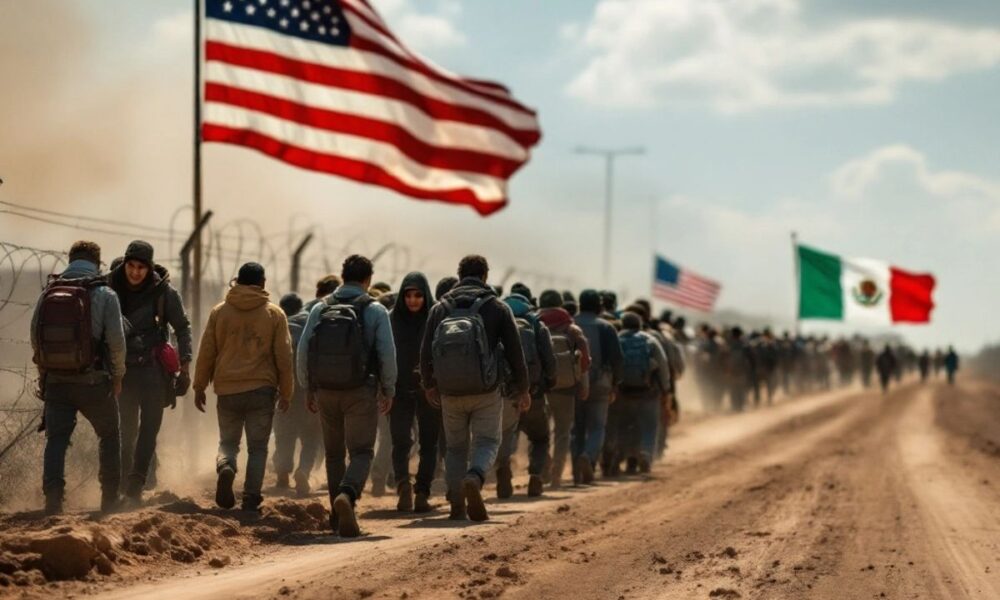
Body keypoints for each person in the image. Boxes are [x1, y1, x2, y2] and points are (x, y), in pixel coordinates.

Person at [420, 255, 528, 522]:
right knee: (488, 441)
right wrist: (523, 388)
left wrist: (429, 384)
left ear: (459, 275)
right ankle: (475, 476)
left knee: (455, 448)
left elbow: (425, 352)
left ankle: (457, 501)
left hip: (450, 392)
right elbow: (516, 352)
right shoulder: (497, 307)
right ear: (485, 276)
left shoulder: (440, 307)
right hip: (486, 390)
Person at [297, 255, 396, 537]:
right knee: (362, 451)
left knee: (333, 454)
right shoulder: (375, 310)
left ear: (343, 277)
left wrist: (308, 387)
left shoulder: (320, 307)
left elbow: (303, 350)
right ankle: (348, 495)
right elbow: (388, 354)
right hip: (360, 390)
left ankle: (336, 517)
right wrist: (389, 389)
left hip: (326, 390)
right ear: (367, 280)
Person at [31, 241, 127, 515]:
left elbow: (35, 338)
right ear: (97, 263)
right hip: (94, 381)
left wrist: (44, 376)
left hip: (57, 382)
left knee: (56, 439)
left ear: (71, 259)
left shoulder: (48, 292)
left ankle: (53, 500)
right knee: (109, 435)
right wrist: (118, 376)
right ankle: (109, 499)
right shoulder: (106, 294)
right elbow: (117, 343)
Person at [194, 262, 295, 512]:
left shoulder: (220, 311)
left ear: (237, 281)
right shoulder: (274, 314)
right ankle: (251, 497)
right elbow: (284, 357)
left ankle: (226, 466)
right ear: (262, 283)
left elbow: (207, 351)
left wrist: (199, 386)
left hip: (227, 389)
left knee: (228, 442)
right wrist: (287, 391)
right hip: (262, 389)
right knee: (258, 447)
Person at [108, 240, 192, 505]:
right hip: (122, 373)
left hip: (155, 373)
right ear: (125, 264)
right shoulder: (110, 289)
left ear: (149, 267)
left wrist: (185, 365)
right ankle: (124, 484)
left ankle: (135, 484)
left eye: (140, 267)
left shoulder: (164, 292)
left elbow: (183, 328)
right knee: (126, 430)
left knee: (149, 431)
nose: (134, 272)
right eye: (130, 266)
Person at [495, 286, 556, 499]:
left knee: (504, 436)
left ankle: (503, 468)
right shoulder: (537, 324)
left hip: (504, 394)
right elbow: (549, 359)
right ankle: (536, 475)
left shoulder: (498, 320)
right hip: (534, 393)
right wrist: (546, 384)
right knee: (540, 438)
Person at [388, 272, 439, 513]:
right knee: (400, 441)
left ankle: (422, 492)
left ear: (425, 295)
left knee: (429, 442)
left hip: (428, 390)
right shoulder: (392, 319)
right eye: (408, 295)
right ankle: (403, 487)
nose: (412, 300)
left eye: (418, 295)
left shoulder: (435, 318)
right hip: (399, 389)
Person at [537, 290, 590, 488]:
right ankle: (557, 475)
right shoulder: (572, 328)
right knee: (562, 433)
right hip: (567, 389)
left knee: (541, 434)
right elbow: (584, 361)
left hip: (541, 389)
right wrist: (583, 385)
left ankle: (542, 470)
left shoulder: (535, 323)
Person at [272, 293, 322, 496]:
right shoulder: (313, 327)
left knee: (284, 435)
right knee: (311, 437)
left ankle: (283, 472)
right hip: (309, 391)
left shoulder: (278, 327)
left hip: (284, 391)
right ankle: (303, 471)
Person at [572, 289, 623, 484]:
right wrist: (615, 384)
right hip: (601, 385)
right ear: (599, 306)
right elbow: (617, 359)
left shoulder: (571, 324)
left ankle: (577, 469)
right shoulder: (607, 327)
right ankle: (589, 456)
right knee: (597, 427)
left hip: (575, 384)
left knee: (576, 428)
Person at [614, 312, 672, 473]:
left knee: (624, 426)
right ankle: (646, 455)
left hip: (624, 392)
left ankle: (624, 457)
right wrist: (666, 389)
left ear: (623, 324)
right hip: (649, 393)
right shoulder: (650, 340)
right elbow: (663, 366)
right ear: (639, 325)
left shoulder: (617, 339)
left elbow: (611, 365)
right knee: (649, 426)